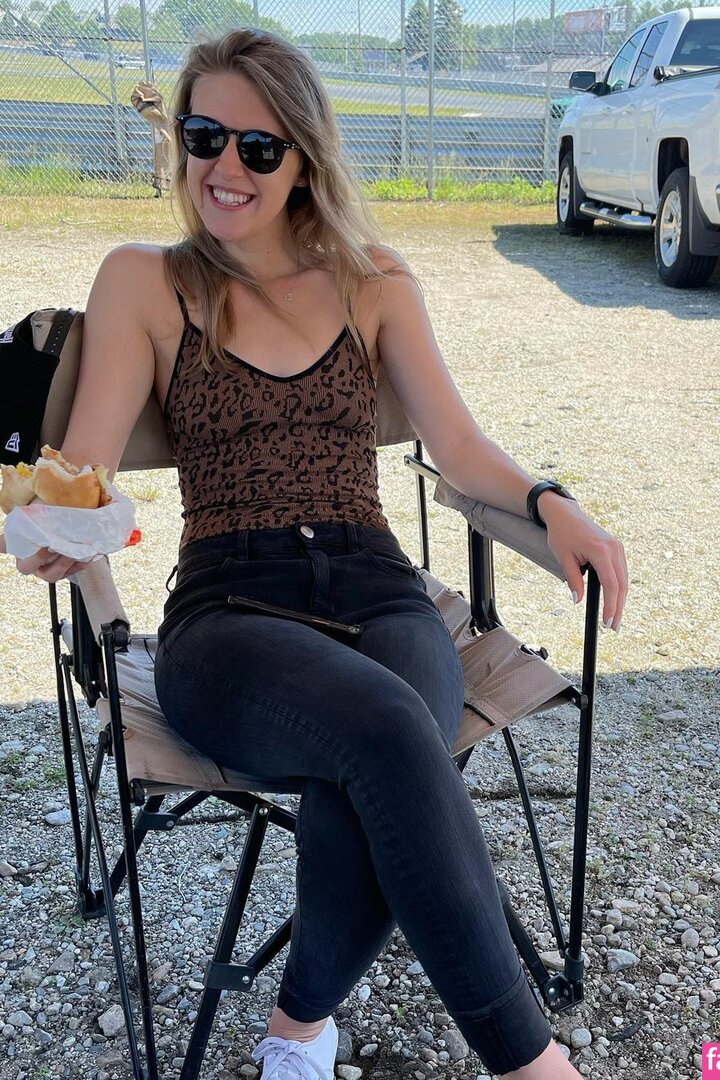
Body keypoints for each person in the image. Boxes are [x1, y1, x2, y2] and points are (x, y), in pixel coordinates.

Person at [2, 28, 628, 1080]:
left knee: (380, 752)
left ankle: (296, 1027)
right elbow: (87, 467)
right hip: (229, 612)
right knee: (391, 732)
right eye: (204, 136)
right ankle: (536, 1066)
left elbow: (457, 444)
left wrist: (548, 502)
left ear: (304, 158)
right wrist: (60, 528)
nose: (225, 167)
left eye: (258, 147)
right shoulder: (146, 281)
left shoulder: (373, 280)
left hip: (380, 590)